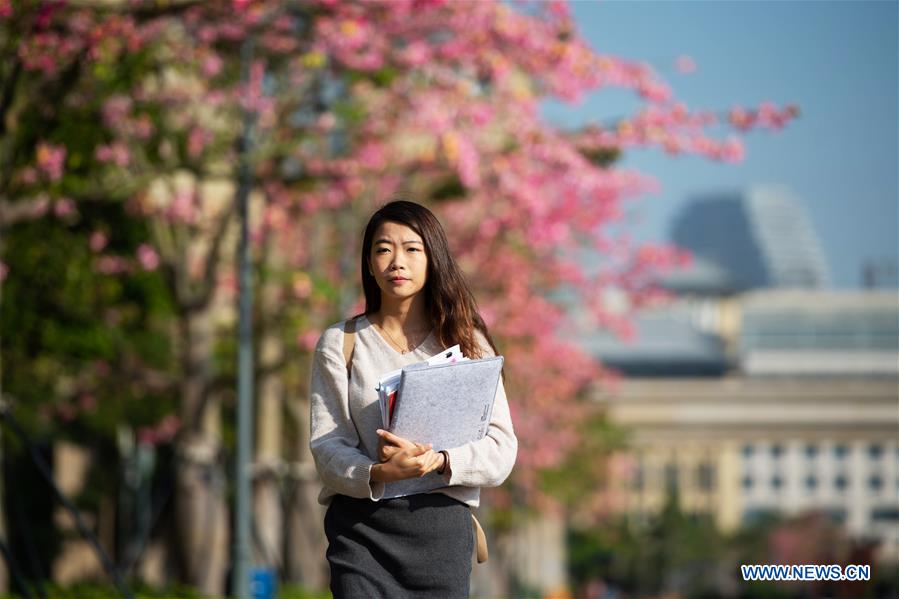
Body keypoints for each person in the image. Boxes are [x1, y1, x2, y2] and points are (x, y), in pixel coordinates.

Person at [309, 199, 518, 598]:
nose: (397, 262)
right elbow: (327, 446)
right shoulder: (341, 344)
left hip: (440, 534)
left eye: (412, 249)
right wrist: (380, 472)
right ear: (369, 263)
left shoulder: (468, 344)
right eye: (383, 249)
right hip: (361, 531)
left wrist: (438, 462)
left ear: (432, 258)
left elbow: (501, 448)